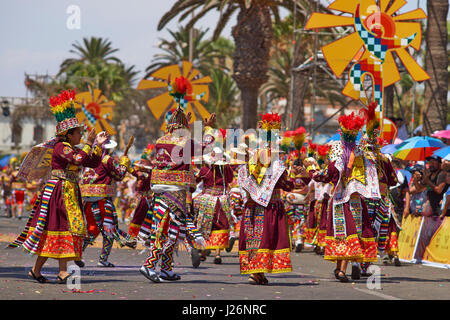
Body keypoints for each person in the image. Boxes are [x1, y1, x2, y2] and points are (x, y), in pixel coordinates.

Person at [8, 90, 107, 284]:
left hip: (68, 191)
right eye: (78, 132)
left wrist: (97, 144)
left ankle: (36, 271)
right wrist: (89, 143)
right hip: (59, 192)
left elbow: (92, 162)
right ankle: (62, 272)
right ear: (69, 135)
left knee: (59, 230)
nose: (81, 134)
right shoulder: (62, 148)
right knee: (61, 229)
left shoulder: (72, 148)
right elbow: (79, 159)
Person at [139, 76, 215, 283]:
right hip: (174, 190)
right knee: (167, 230)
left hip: (162, 189)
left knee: (172, 229)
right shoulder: (185, 141)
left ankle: (166, 269)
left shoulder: (160, 140)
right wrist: (207, 128)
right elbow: (206, 146)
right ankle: (148, 265)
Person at [311, 112, 377, 283]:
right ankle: (342, 268)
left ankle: (342, 270)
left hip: (341, 200)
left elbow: (327, 174)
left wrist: (311, 172)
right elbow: (373, 173)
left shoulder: (339, 155)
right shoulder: (363, 155)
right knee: (349, 233)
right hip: (355, 200)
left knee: (346, 233)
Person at [237, 113, 297, 285]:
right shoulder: (277, 164)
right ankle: (257, 273)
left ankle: (258, 273)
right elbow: (285, 185)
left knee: (256, 237)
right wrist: (292, 179)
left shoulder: (252, 159)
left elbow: (243, 178)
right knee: (266, 238)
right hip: (269, 205)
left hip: (252, 205)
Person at [78, 139, 132, 268]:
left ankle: (78, 254)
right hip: (102, 200)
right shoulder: (107, 159)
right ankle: (103, 259)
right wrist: (124, 162)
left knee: (91, 229)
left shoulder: (88, 160)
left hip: (87, 200)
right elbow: (119, 175)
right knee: (109, 230)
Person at [193, 146, 234, 264]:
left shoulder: (205, 170)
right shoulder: (227, 169)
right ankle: (217, 254)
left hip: (207, 200)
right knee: (221, 224)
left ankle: (203, 251)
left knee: (204, 224)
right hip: (222, 200)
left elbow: (196, 181)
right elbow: (230, 180)